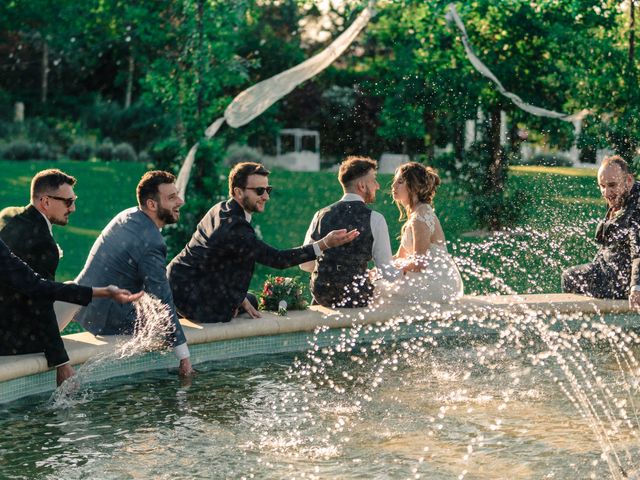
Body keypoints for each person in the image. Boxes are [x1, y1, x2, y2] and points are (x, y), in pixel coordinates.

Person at [167, 162, 359, 323]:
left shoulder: (221, 208)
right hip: (190, 297)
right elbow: (278, 260)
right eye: (259, 191)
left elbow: (211, 260)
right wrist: (324, 244)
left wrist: (238, 297)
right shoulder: (236, 228)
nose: (266, 197)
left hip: (180, 282)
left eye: (268, 190)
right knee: (233, 308)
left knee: (249, 299)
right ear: (238, 192)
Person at [67, 171, 194, 376]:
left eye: (177, 195)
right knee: (185, 306)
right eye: (171, 198)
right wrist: (184, 356)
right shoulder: (150, 241)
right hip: (109, 319)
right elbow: (161, 299)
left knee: (180, 298)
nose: (180, 201)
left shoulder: (129, 215)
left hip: (90, 306)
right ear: (152, 204)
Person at [0, 168, 84, 385]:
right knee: (74, 291)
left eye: (73, 200)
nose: (73, 208)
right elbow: (41, 302)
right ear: (45, 202)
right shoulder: (43, 243)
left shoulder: (10, 215)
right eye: (67, 202)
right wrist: (61, 362)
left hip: (6, 318)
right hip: (12, 341)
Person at [300, 156, 399, 308]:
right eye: (374, 180)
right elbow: (387, 272)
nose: (378, 186)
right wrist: (408, 273)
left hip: (322, 296)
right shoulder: (375, 219)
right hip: (356, 296)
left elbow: (305, 264)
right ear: (362, 186)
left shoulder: (320, 215)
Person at [562, 155, 640, 309]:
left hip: (624, 280)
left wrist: (636, 287)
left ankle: (575, 327)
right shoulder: (622, 196)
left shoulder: (637, 207)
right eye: (602, 186)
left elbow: (639, 251)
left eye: (611, 185)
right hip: (613, 268)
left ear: (629, 180)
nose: (606, 192)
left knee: (570, 277)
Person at [382, 162, 463, 302]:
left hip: (435, 284)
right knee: (376, 285)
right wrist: (380, 268)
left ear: (414, 187)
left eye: (400, 182)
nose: (393, 186)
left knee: (378, 292)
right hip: (430, 279)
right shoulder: (418, 213)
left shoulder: (419, 218)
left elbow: (420, 264)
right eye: (394, 181)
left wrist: (389, 269)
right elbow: (400, 256)